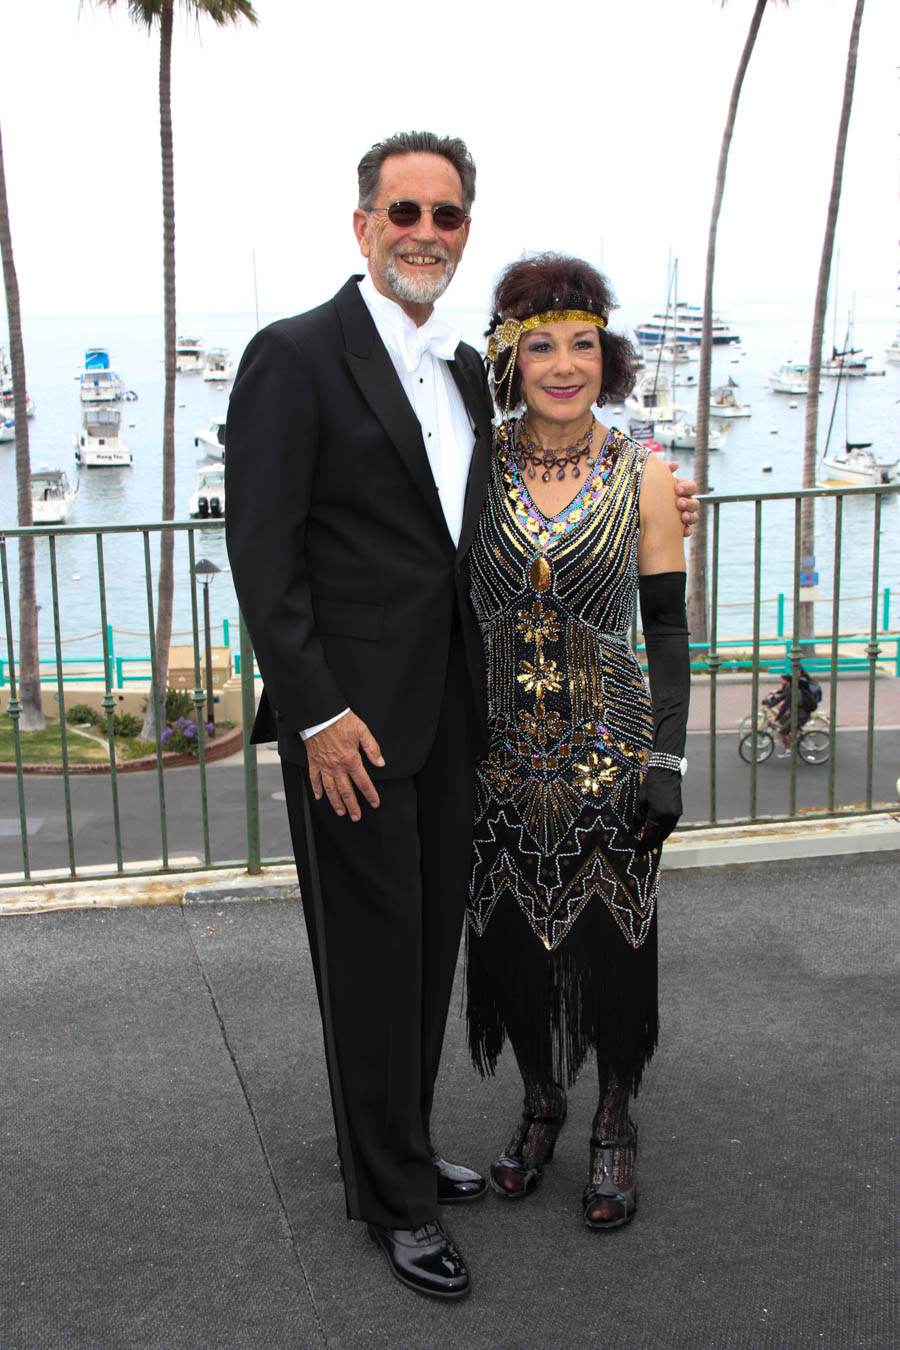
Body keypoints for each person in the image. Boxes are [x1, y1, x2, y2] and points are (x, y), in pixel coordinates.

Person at [226, 132, 699, 1301]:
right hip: (353, 730)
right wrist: (316, 712)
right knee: (371, 961)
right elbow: (261, 557)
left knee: (427, 953)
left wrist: (663, 489)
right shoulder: (294, 355)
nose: (424, 233)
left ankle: (399, 1146)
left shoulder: (453, 374)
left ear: (462, 231)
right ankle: (389, 1199)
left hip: (454, 720)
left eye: (445, 216)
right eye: (404, 213)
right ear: (363, 226)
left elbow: (518, 497)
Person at [465, 253, 691, 1232]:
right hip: (493, 764)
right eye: (541, 345)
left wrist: (670, 762)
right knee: (510, 949)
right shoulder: (471, 465)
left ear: (610, 355)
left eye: (583, 345)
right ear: (509, 361)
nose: (564, 364)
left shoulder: (645, 478)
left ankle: (611, 1122)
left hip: (612, 759)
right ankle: (540, 1104)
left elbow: (670, 630)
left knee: (611, 955)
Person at [763, 667, 818, 756]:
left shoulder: (793, 691)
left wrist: (776, 718)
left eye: (783, 681)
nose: (782, 683)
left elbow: (784, 706)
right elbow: (779, 698)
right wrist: (769, 706)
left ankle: (789, 750)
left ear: (788, 682)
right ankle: (792, 736)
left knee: (782, 731)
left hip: (800, 716)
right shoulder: (790, 690)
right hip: (796, 713)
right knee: (782, 722)